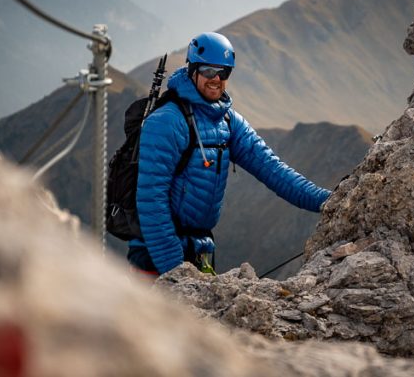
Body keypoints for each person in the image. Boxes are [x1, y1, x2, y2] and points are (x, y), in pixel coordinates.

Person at [128, 31, 331, 275]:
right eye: (208, 71)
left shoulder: (228, 121)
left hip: (199, 251)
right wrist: (175, 271)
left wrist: (328, 200)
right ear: (192, 69)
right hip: (155, 257)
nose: (216, 78)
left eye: (224, 72)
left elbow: (273, 169)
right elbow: (151, 201)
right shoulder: (167, 121)